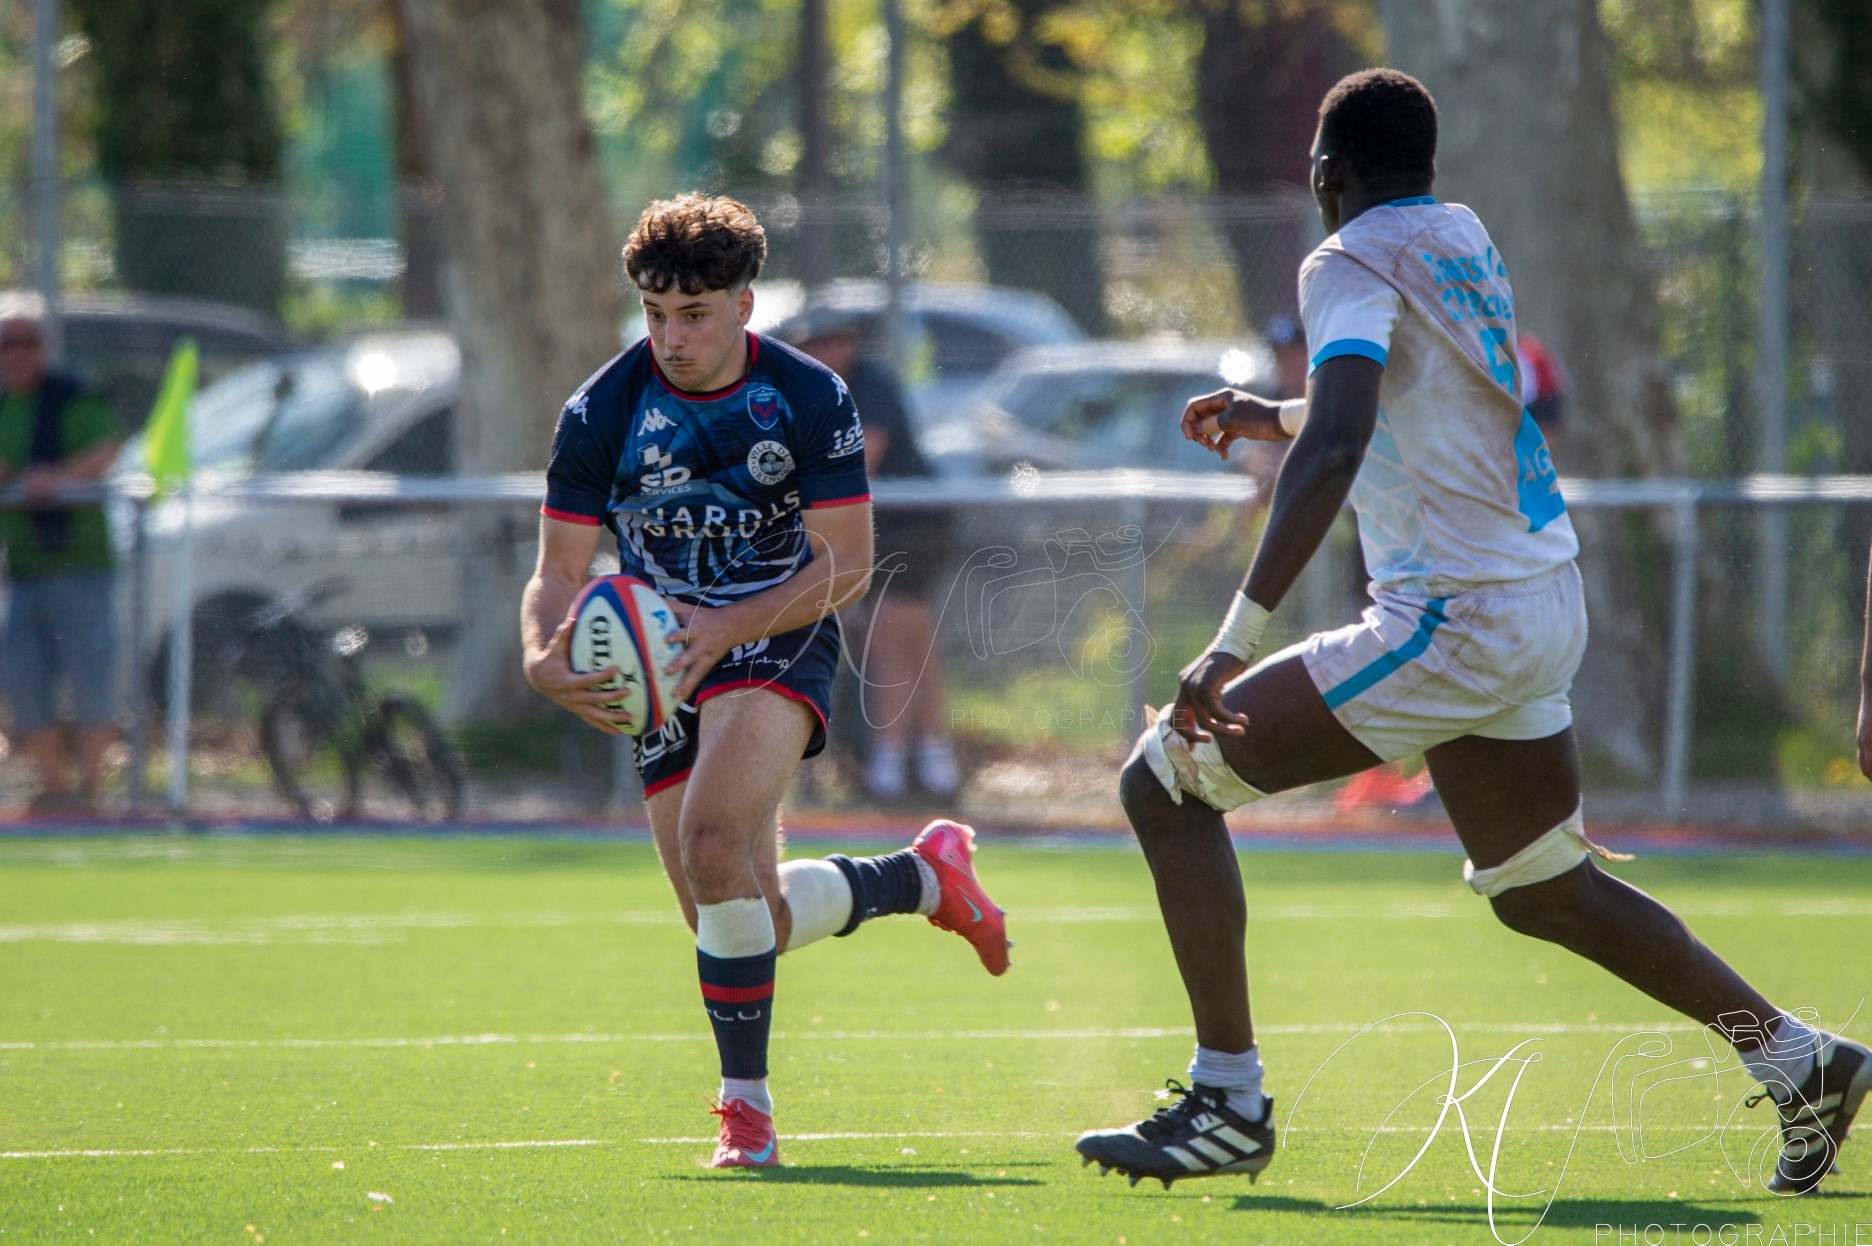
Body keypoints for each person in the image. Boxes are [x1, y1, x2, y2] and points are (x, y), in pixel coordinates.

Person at [1074, 70, 1868, 1195]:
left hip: (1452, 616)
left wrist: (1234, 636)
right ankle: (1799, 1058)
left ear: (1325, 175)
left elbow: (1345, 438)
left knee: (1164, 782)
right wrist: (1278, 414)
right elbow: (1425, 398)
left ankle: (1226, 1099)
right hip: (1541, 596)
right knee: (1542, 885)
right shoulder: (1459, 234)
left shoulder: (1341, 258)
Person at [519, 193, 1008, 1170]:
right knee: (732, 914)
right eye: (655, 314)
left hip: (775, 633)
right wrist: (541, 654)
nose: (672, 337)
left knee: (711, 840)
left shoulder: (810, 396)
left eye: (693, 315)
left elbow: (848, 564)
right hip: (664, 663)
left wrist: (723, 627)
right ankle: (918, 876)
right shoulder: (603, 407)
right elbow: (558, 571)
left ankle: (745, 1111)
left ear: (745, 304)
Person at [787, 309, 960, 801]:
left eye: (836, 341)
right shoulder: (808, 390)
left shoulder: (871, 384)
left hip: (914, 525)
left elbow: (859, 465)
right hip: (869, 530)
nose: (825, 351)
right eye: (816, 343)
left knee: (887, 631)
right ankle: (933, 763)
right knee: (912, 639)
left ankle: (889, 771)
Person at [0, 295, 124, 814]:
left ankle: (91, 790)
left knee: (90, 673)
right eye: (7, 343)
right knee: (21, 674)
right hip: (24, 570)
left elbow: (110, 448)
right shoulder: (4, 405)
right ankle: (52, 788)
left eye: (28, 341)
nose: (17, 353)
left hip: (80, 566)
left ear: (45, 346)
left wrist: (59, 480)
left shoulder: (74, 395)